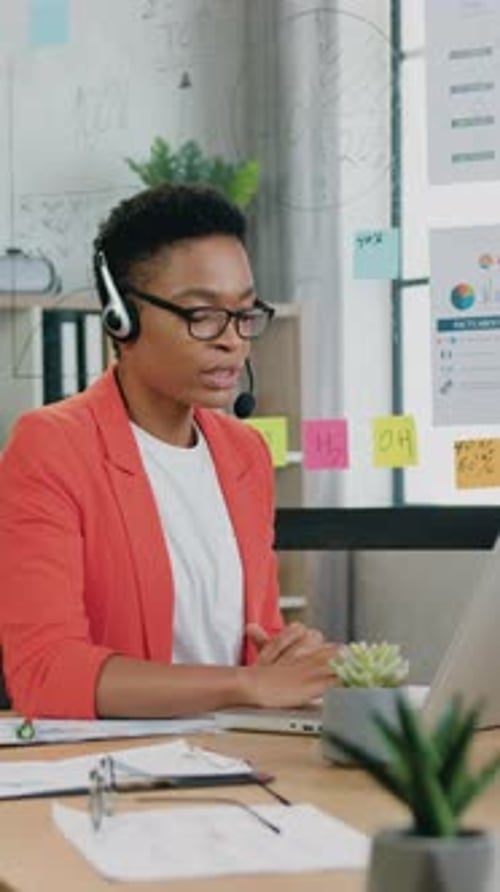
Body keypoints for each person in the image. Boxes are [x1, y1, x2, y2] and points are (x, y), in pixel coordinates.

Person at [0, 184, 336, 718]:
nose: (233, 340)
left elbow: (255, 636)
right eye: (202, 314)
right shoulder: (52, 445)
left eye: (245, 312)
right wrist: (246, 684)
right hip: (120, 767)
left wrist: (285, 657)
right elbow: (44, 672)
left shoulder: (243, 454)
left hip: (238, 751)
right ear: (121, 319)